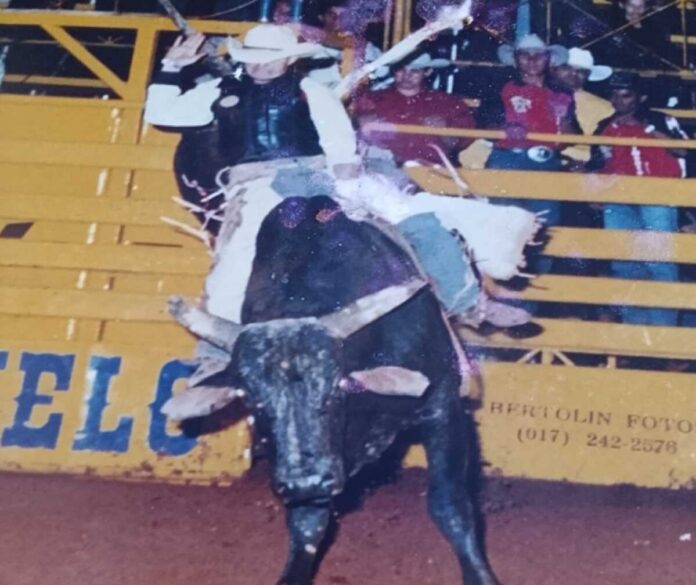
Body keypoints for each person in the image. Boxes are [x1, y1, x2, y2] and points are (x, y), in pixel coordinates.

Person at [144, 25, 324, 233]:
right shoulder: (221, 88)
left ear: (290, 60)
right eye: (253, 57)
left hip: (306, 179)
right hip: (252, 183)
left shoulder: (309, 89)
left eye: (271, 59)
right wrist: (171, 67)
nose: (260, 66)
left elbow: (338, 136)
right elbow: (160, 115)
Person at [587, 72, 687, 326]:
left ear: (640, 97)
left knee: (660, 263)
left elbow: (683, 149)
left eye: (626, 95)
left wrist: (648, 128)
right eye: (615, 95)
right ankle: (636, 333)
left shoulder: (660, 120)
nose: (619, 101)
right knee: (624, 265)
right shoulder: (605, 126)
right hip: (619, 201)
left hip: (656, 196)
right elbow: (597, 163)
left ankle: (663, 334)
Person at [353, 52, 475, 165]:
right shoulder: (371, 99)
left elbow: (459, 143)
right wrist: (359, 122)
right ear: (394, 70)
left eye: (414, 71)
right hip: (383, 167)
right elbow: (346, 131)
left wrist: (444, 130)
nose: (407, 75)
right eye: (401, 69)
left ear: (427, 72)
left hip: (431, 170)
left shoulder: (448, 103)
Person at [551, 47, 613, 166]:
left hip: (583, 166)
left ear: (588, 75)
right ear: (554, 70)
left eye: (581, 71)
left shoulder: (605, 107)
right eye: (567, 68)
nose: (574, 74)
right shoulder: (537, 96)